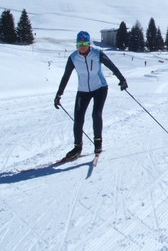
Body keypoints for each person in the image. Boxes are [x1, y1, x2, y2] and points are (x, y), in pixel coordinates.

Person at [54, 31, 128, 160]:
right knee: (78, 118)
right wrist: (59, 94)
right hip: (83, 90)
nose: (82, 46)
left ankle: (98, 143)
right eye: (80, 43)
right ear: (76, 45)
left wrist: (122, 79)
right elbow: (65, 77)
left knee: (96, 114)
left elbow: (112, 66)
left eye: (85, 43)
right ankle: (77, 147)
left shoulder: (97, 53)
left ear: (89, 44)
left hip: (100, 88)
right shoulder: (73, 58)